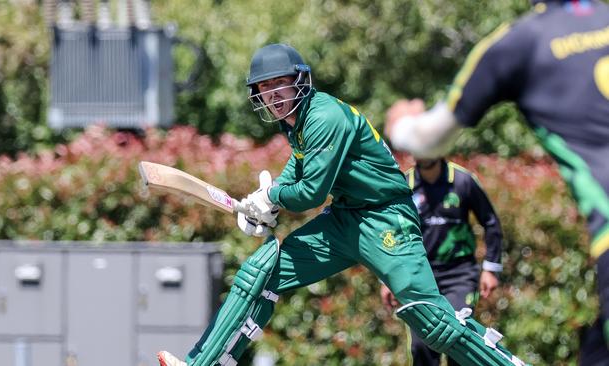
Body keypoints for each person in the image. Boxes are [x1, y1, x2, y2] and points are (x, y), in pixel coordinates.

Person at [157, 43, 526, 366]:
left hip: (385, 219)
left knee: (430, 319)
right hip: (346, 218)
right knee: (263, 272)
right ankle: (202, 363)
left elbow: (312, 194)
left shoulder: (324, 115)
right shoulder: (296, 122)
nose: (272, 94)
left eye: (278, 83)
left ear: (300, 80)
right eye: (264, 88)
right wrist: (260, 203)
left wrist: (273, 198)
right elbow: (297, 169)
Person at [384, 1, 609, 364]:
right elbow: (392, 230)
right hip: (423, 277)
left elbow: (429, 139)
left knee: (457, 340)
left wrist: (400, 125)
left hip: (461, 274)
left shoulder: (519, 42)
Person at [380, 157, 505, 366]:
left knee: (458, 340)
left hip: (460, 274)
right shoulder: (403, 185)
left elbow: (490, 222)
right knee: (422, 347)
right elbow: (390, 234)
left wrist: (491, 268)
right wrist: (387, 279)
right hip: (418, 278)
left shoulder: (462, 181)